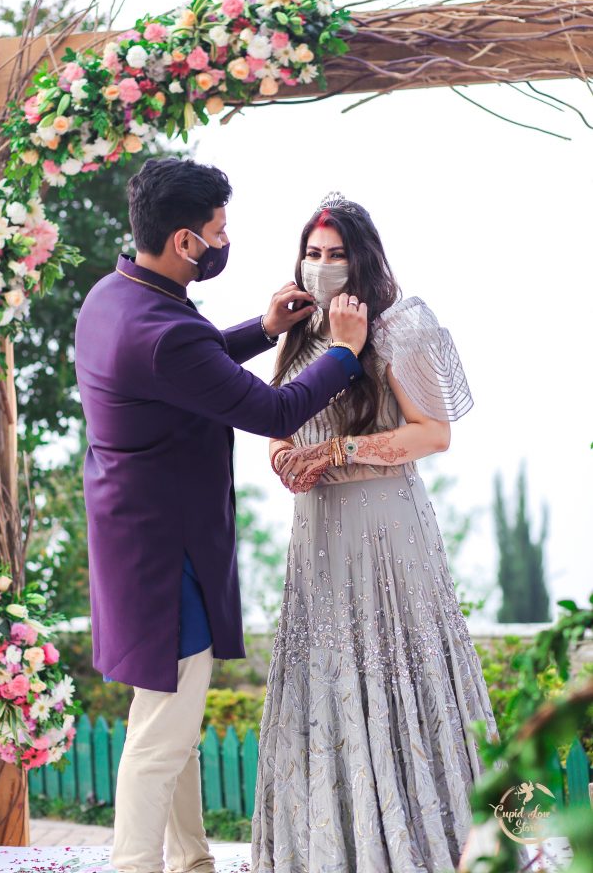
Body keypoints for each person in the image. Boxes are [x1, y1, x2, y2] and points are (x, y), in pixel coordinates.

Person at [73, 159, 368, 873]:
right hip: (165, 551)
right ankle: (136, 865)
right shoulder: (165, 331)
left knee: (162, 711)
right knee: (163, 736)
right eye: (217, 230)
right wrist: (343, 353)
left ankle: (191, 860)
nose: (223, 239)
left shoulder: (114, 296)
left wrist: (261, 330)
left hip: (128, 533)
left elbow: (181, 369)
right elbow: (271, 409)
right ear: (184, 242)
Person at [251, 192, 497, 873]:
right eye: (312, 253)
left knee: (396, 670)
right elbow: (278, 422)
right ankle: (335, 848)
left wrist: (337, 453)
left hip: (385, 528)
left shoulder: (399, 326)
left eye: (335, 255)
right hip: (317, 531)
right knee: (324, 676)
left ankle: (423, 844)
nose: (322, 266)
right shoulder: (298, 329)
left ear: (362, 260)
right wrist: (283, 460)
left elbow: (433, 434)